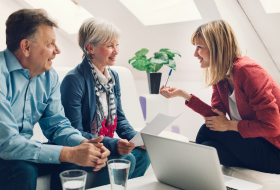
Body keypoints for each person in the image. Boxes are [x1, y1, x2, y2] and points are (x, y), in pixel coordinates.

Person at [0, 9, 110, 190]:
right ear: (26, 47)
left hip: (20, 150)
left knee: (77, 162)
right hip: (5, 150)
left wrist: (84, 145)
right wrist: (70, 153)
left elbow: (57, 125)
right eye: (50, 43)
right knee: (22, 169)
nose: (57, 50)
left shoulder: (48, 77)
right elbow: (7, 143)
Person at [160, 20, 280, 174]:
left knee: (207, 130)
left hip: (274, 149)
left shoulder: (247, 71)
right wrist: (183, 95)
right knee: (208, 144)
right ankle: (189, 176)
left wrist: (230, 125)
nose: (195, 54)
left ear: (215, 47)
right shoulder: (221, 77)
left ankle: (184, 171)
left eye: (199, 47)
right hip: (253, 144)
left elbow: (273, 126)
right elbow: (216, 117)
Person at [60, 17, 150, 187]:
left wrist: (137, 139)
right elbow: (74, 132)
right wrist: (114, 144)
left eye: (117, 45)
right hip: (82, 150)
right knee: (127, 158)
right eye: (110, 46)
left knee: (144, 155)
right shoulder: (74, 80)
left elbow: (120, 119)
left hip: (105, 147)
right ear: (90, 48)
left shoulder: (113, 77)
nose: (116, 51)